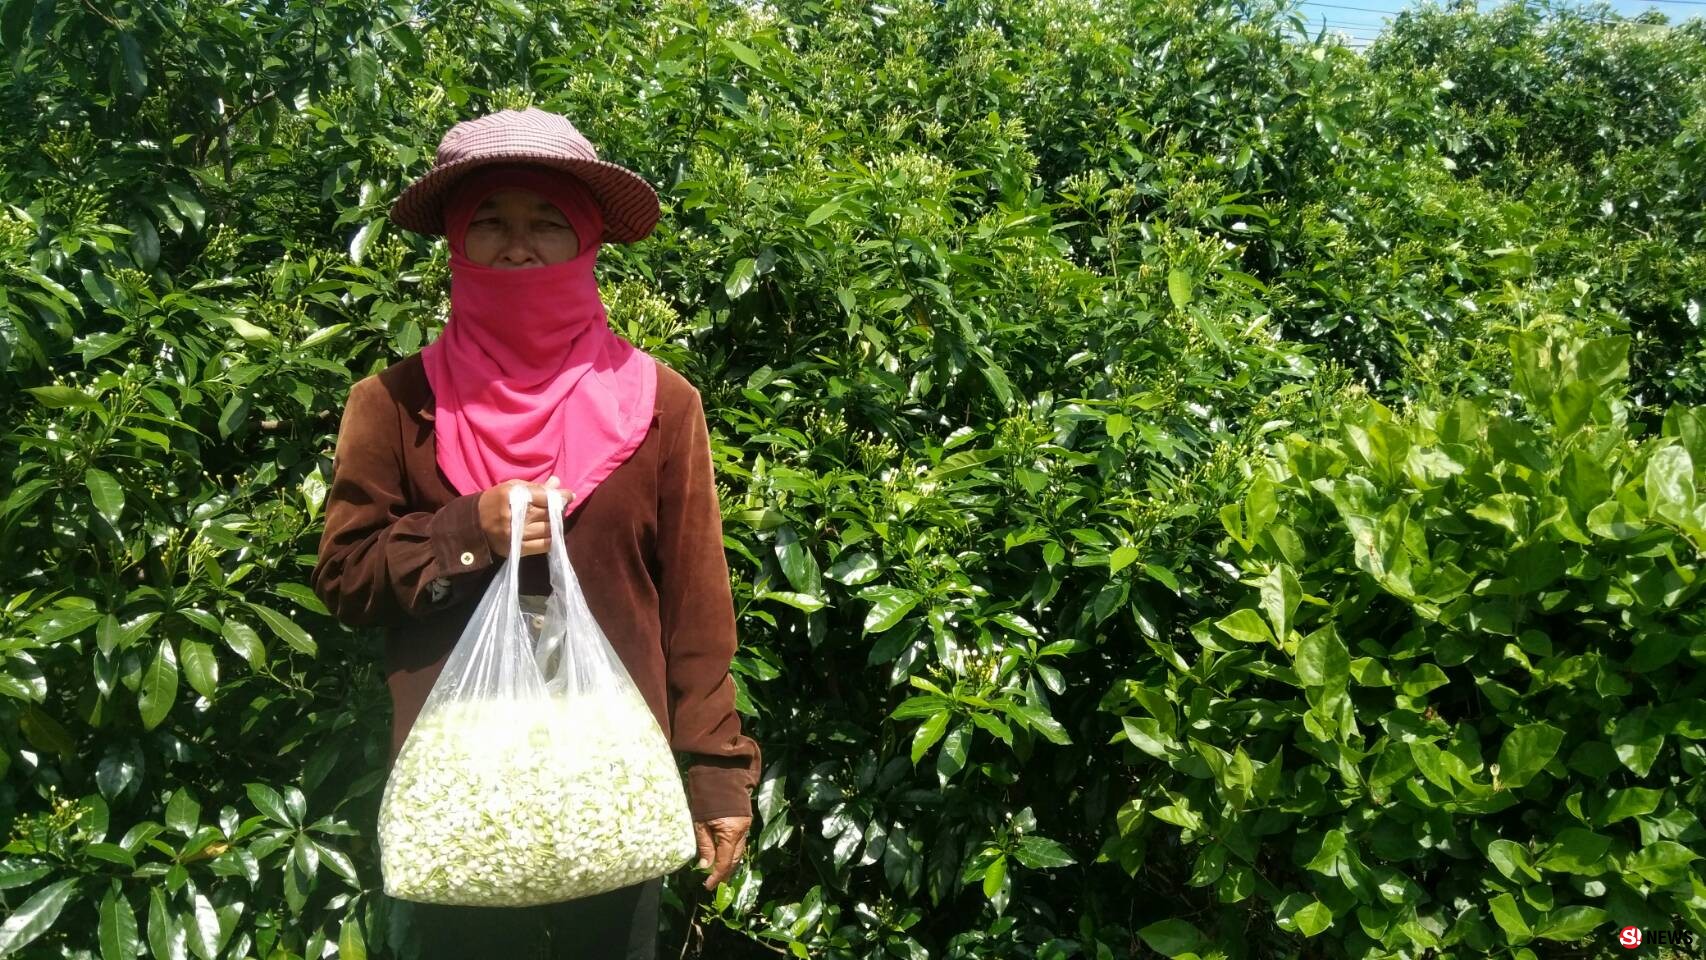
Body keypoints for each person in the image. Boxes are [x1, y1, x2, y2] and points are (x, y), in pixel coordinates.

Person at [311, 107, 760, 959]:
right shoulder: (394, 404)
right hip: (464, 782)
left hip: (613, 777)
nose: (517, 248)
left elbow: (696, 608)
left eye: (547, 223)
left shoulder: (660, 404)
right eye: (489, 222)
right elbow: (344, 578)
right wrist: (463, 532)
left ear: (588, 241)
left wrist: (717, 773)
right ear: (454, 241)